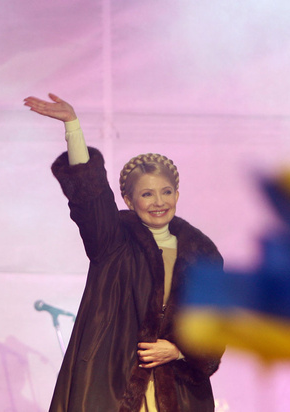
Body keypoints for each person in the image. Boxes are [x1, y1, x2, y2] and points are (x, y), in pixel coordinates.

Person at [24, 93, 225, 412]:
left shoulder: (202, 255)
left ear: (177, 194)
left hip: (179, 392)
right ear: (129, 201)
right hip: (112, 385)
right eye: (147, 194)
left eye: (166, 192)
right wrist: (73, 127)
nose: (159, 202)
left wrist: (178, 350)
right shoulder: (113, 241)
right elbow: (91, 197)